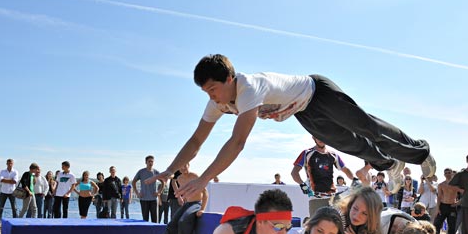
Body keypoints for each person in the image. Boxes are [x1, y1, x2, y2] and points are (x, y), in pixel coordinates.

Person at [150, 54, 436, 201]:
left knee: (367, 128)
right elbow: (197, 140)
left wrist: (204, 179)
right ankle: (389, 164)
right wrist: (170, 169)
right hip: (304, 112)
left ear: (229, 78)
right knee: (350, 144)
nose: (211, 97)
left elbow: (237, 142)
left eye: (213, 89)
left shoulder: (249, 87)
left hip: (317, 92)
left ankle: (421, 153)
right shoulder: (218, 103)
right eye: (206, 92)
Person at [141, 163, 209, 234]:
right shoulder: (180, 178)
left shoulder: (195, 176)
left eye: (185, 165)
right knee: (172, 224)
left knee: (183, 221)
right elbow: (174, 182)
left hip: (196, 203)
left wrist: (202, 209)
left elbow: (205, 193)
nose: (183, 167)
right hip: (187, 204)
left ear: (189, 165)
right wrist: (181, 197)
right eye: (181, 166)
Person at [292, 137, 355, 216]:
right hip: (316, 199)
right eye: (317, 136)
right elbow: (294, 173)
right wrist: (302, 185)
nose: (321, 138)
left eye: (322, 135)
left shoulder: (333, 154)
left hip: (333, 198)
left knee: (340, 225)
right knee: (316, 226)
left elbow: (345, 169)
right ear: (313, 138)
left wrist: (355, 179)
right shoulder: (306, 153)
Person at [433, 168, 459, 234]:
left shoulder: (456, 185)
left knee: (452, 227)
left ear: (452, 173)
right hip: (443, 206)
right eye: (446, 173)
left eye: (449, 172)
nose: (448, 174)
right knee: (436, 225)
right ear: (444, 174)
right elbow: (439, 197)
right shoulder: (441, 185)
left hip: (452, 207)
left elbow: (465, 193)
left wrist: (458, 203)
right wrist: (437, 208)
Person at [132, 155, 163, 222]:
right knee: (145, 219)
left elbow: (163, 182)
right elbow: (133, 182)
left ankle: (155, 232)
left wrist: (159, 192)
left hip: (153, 199)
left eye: (152, 161)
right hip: (144, 199)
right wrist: (137, 193)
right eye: (149, 161)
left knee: (154, 220)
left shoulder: (156, 172)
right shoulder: (141, 172)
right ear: (146, 162)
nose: (150, 163)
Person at [0, 159, 19, 224]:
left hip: (12, 192)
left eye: (11, 163)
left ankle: (15, 221)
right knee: (0, 207)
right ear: (6, 163)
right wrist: (10, 180)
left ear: (13, 164)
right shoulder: (2, 171)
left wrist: (5, 179)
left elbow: (15, 181)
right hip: (3, 192)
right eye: (8, 163)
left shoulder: (15, 172)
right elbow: (1, 180)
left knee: (14, 208)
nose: (10, 164)